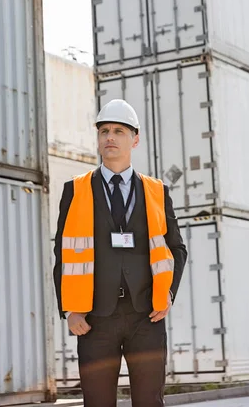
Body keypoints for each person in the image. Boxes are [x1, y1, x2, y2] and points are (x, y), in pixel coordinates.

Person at [53, 99, 187, 407]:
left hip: (146, 317)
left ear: (135, 139)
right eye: (104, 131)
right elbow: (63, 254)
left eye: (118, 131)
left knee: (149, 401)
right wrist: (70, 310)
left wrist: (167, 293)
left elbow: (176, 249)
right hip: (95, 319)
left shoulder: (156, 192)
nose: (109, 137)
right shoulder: (75, 190)